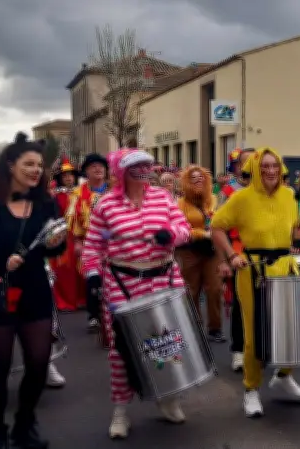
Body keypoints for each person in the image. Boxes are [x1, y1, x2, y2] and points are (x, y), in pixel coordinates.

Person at [0, 133, 66, 449]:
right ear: (11, 165)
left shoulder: (46, 204)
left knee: (37, 364)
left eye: (39, 165)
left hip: (34, 291)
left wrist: (57, 245)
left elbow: (52, 246)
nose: (36, 170)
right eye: (29, 164)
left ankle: (24, 424)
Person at [81, 148, 191, 439]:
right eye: (137, 165)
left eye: (147, 164)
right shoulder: (105, 205)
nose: (145, 169)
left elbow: (185, 228)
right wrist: (92, 276)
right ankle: (120, 411)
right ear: (122, 171)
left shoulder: (163, 198)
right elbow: (93, 247)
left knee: (168, 342)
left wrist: (172, 234)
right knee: (121, 351)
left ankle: (167, 397)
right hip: (123, 281)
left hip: (164, 277)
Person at [211, 147, 300, 419]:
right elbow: (216, 226)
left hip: (285, 266)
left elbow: (296, 229)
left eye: (274, 166)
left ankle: (284, 375)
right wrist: (231, 255)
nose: (270, 171)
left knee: (292, 327)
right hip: (254, 269)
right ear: (254, 169)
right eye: (264, 166)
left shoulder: (290, 195)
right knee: (255, 333)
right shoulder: (242, 198)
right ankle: (251, 389)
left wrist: (298, 233)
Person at [176, 165, 224, 342]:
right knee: (191, 290)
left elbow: (220, 218)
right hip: (189, 250)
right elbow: (180, 227)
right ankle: (194, 327)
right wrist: (201, 233)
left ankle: (215, 328)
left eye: (201, 178)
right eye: (193, 178)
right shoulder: (180, 204)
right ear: (186, 182)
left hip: (211, 250)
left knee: (215, 288)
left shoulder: (213, 199)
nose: (198, 181)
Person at [218, 147, 255, 372]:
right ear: (238, 166)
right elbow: (218, 228)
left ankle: (259, 349)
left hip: (264, 255)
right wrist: (224, 260)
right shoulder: (229, 190)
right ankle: (239, 351)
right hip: (238, 253)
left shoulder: (269, 190)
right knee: (241, 305)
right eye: (245, 162)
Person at [68, 153, 110, 332]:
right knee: (94, 278)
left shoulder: (115, 191)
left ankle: (115, 315)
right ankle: (94, 316)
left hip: (115, 244)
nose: (98, 169)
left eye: (101, 165)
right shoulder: (78, 194)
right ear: (86, 171)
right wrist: (78, 241)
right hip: (90, 244)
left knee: (114, 280)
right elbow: (74, 220)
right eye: (93, 166)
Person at [49, 157, 84, 314]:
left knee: (81, 269)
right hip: (63, 236)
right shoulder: (56, 196)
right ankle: (66, 301)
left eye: (70, 175)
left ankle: (81, 299)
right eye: (65, 176)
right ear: (60, 179)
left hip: (80, 236)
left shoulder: (82, 192)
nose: (68, 178)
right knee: (65, 271)